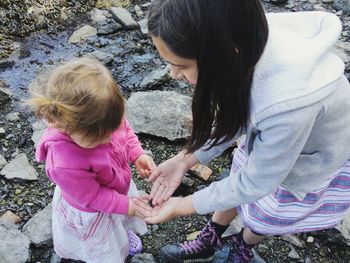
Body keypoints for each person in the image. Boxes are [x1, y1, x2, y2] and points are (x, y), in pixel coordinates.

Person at [142, 0, 350, 262]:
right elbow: (237, 117)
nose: (172, 74)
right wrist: (184, 161)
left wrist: (182, 206)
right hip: (276, 137)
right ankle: (213, 235)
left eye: (181, 65)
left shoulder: (286, 105)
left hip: (310, 156)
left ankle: (245, 243)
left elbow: (256, 183)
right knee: (237, 180)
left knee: (268, 211)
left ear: (228, 54)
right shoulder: (242, 36)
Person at [28, 58, 155, 263]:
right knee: (103, 241)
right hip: (91, 206)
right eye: (98, 138)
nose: (108, 139)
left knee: (119, 218)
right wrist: (126, 205)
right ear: (64, 125)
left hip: (114, 184)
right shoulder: (64, 163)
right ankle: (110, 249)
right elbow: (93, 197)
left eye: (111, 131)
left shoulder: (105, 116)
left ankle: (121, 234)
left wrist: (137, 153)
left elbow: (126, 131)